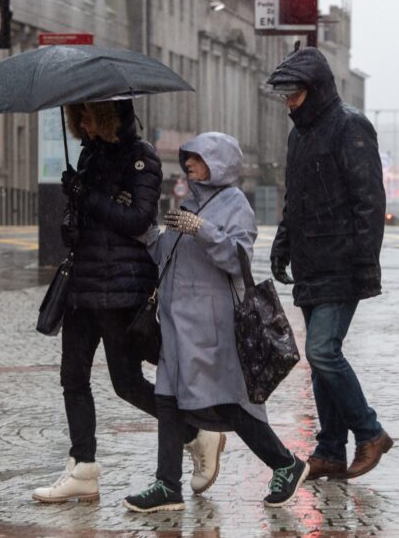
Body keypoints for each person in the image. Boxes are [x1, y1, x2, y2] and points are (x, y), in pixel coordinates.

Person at [32, 100, 222, 503]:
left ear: (107, 113)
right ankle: (83, 466)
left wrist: (88, 197)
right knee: (73, 377)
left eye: (86, 113)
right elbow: (93, 217)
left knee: (127, 383)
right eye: (76, 116)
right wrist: (73, 212)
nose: (80, 121)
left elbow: (137, 219)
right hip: (83, 283)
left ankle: (196, 434)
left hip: (121, 287)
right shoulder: (87, 154)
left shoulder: (142, 159)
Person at [123, 132, 309, 513]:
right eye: (188, 158)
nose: (188, 164)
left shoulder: (234, 204)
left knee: (230, 404)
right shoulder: (190, 202)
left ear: (219, 163)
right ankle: (167, 485)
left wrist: (201, 229)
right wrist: (144, 229)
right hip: (178, 324)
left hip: (212, 326)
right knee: (168, 400)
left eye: (198, 158)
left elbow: (237, 256)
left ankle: (286, 463)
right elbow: (166, 255)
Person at [266, 46, 391, 482]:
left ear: (314, 89)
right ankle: (330, 450)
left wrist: (365, 264)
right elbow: (294, 198)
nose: (288, 102)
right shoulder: (298, 134)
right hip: (309, 261)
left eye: (294, 94)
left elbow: (369, 202)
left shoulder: (350, 126)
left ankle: (371, 433)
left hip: (341, 261)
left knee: (322, 350)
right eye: (285, 95)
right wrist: (283, 243)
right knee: (321, 359)